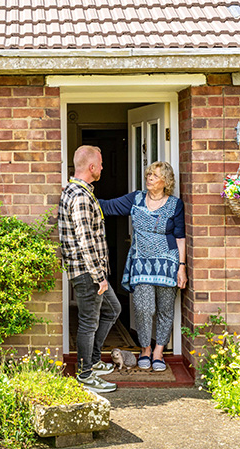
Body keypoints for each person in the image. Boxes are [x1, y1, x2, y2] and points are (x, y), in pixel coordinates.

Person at [99, 161, 186, 373]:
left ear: (165, 181)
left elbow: (180, 236)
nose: (149, 178)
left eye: (155, 176)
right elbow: (108, 206)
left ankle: (158, 351)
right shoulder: (136, 199)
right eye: (148, 174)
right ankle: (145, 348)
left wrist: (181, 267)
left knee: (165, 310)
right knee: (144, 308)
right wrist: (82, 195)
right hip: (141, 262)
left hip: (168, 263)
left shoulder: (175, 204)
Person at [58, 145, 121, 393]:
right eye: (101, 163)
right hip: (87, 273)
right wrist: (99, 276)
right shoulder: (81, 197)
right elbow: (85, 240)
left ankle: (93, 360)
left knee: (112, 309)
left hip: (89, 272)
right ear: (92, 167)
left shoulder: (75, 190)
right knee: (88, 323)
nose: (103, 167)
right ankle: (85, 374)